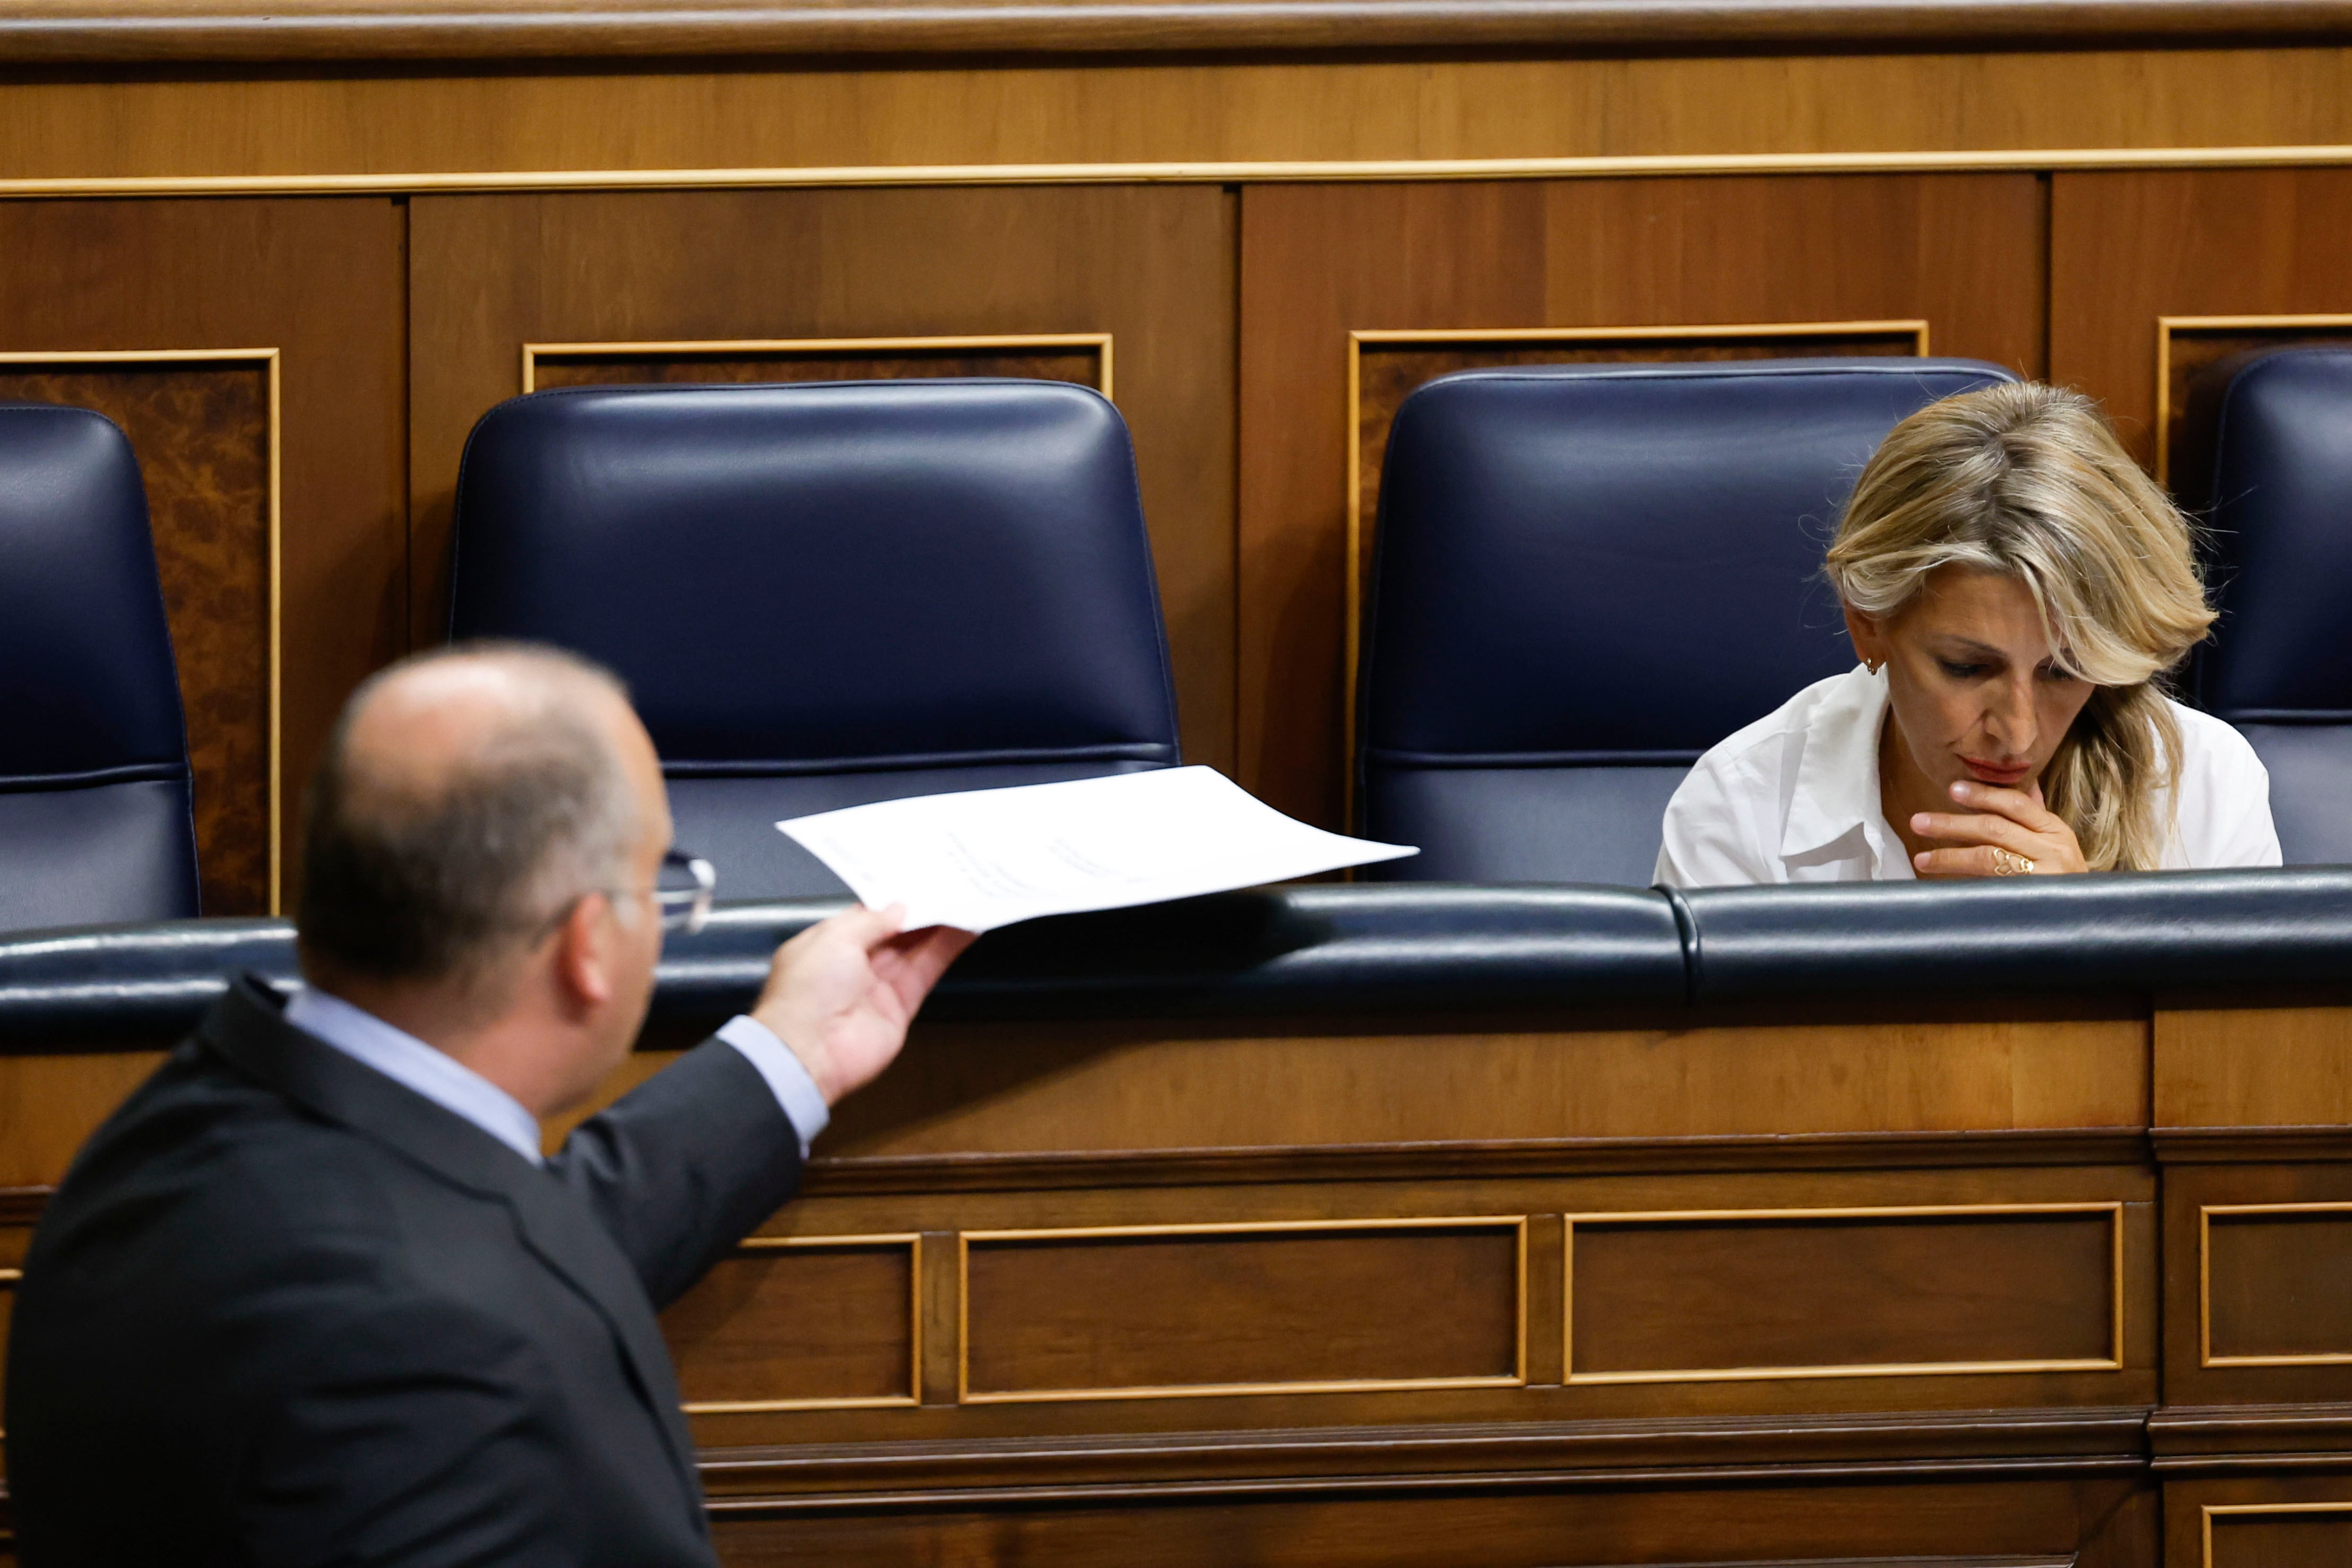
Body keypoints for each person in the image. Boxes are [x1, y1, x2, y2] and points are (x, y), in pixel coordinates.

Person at [5, 643, 974, 1567]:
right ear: (588, 945)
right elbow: (449, 1305)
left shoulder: (165, 1143)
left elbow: (476, 1235)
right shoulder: (446, 1366)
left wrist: (791, 1054)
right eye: (662, 887)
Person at [1656, 380, 2280, 887]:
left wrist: (2087, 939)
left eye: (2062, 671)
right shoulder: (1739, 811)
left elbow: (2231, 1048)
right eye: (1967, 668)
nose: (2017, 732)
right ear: (1867, 626)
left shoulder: (2203, 784)